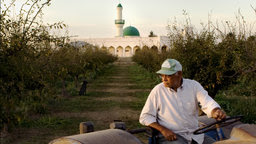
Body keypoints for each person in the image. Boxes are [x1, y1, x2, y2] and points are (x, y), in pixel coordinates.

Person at [139, 59, 226, 144]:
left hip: (195, 134)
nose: (164, 79)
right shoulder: (158, 91)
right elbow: (145, 116)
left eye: (168, 75)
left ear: (179, 74)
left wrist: (215, 111)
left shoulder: (193, 86)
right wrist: (163, 130)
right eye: (162, 75)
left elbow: (206, 101)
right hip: (172, 136)